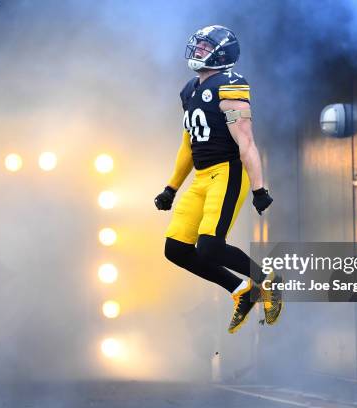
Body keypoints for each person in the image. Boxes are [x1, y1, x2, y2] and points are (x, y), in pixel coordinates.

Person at [155, 25, 282, 333]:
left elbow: (247, 141)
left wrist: (259, 188)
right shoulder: (190, 90)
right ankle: (240, 290)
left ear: (221, 52)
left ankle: (267, 280)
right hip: (202, 177)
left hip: (227, 172)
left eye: (204, 45)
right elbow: (189, 142)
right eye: (197, 44)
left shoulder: (230, 85)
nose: (198, 50)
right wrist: (171, 187)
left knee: (210, 247)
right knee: (176, 249)